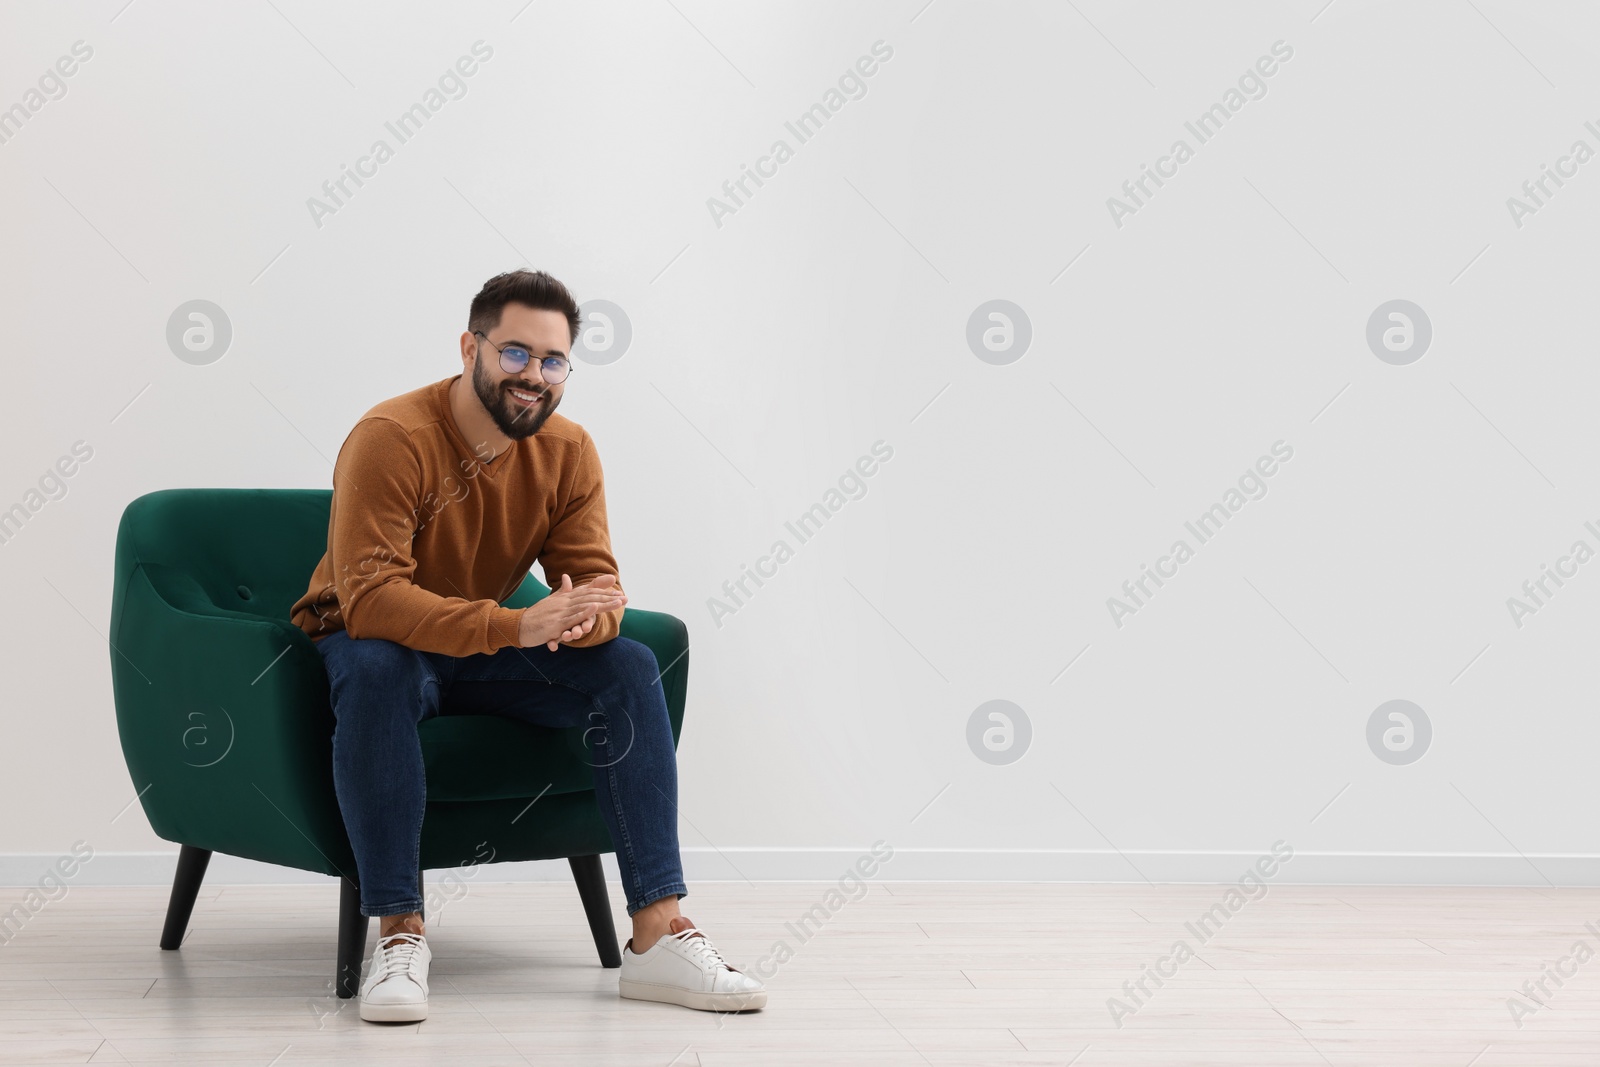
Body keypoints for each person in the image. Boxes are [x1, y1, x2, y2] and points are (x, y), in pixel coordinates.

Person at [288, 269, 765, 1023]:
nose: (533, 377)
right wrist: (518, 625)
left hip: (478, 649)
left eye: (553, 361)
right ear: (470, 346)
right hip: (377, 637)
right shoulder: (392, 437)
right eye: (515, 354)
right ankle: (400, 934)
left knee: (630, 663)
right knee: (378, 668)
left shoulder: (568, 450)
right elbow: (372, 599)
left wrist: (587, 617)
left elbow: (594, 576)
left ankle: (657, 934)